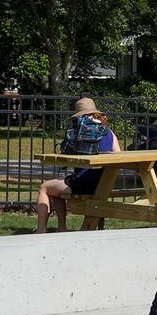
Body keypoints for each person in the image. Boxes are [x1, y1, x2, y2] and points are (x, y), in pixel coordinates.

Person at [36, 98, 120, 233]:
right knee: (58, 190)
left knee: (45, 188)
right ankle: (98, 228)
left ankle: (43, 230)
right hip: (105, 182)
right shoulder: (109, 132)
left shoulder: (77, 131)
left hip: (83, 183)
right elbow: (118, 155)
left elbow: (66, 152)